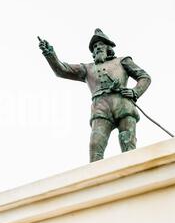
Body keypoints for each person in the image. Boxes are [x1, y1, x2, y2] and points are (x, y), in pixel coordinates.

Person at [39, 29, 151, 162]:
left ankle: (133, 172)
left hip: (123, 104)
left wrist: (135, 92)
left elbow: (144, 77)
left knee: (127, 141)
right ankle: (96, 179)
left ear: (108, 47)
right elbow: (62, 70)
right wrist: (50, 55)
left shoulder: (122, 61)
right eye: (94, 47)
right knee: (95, 145)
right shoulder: (87, 68)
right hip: (100, 107)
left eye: (100, 45)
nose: (97, 48)